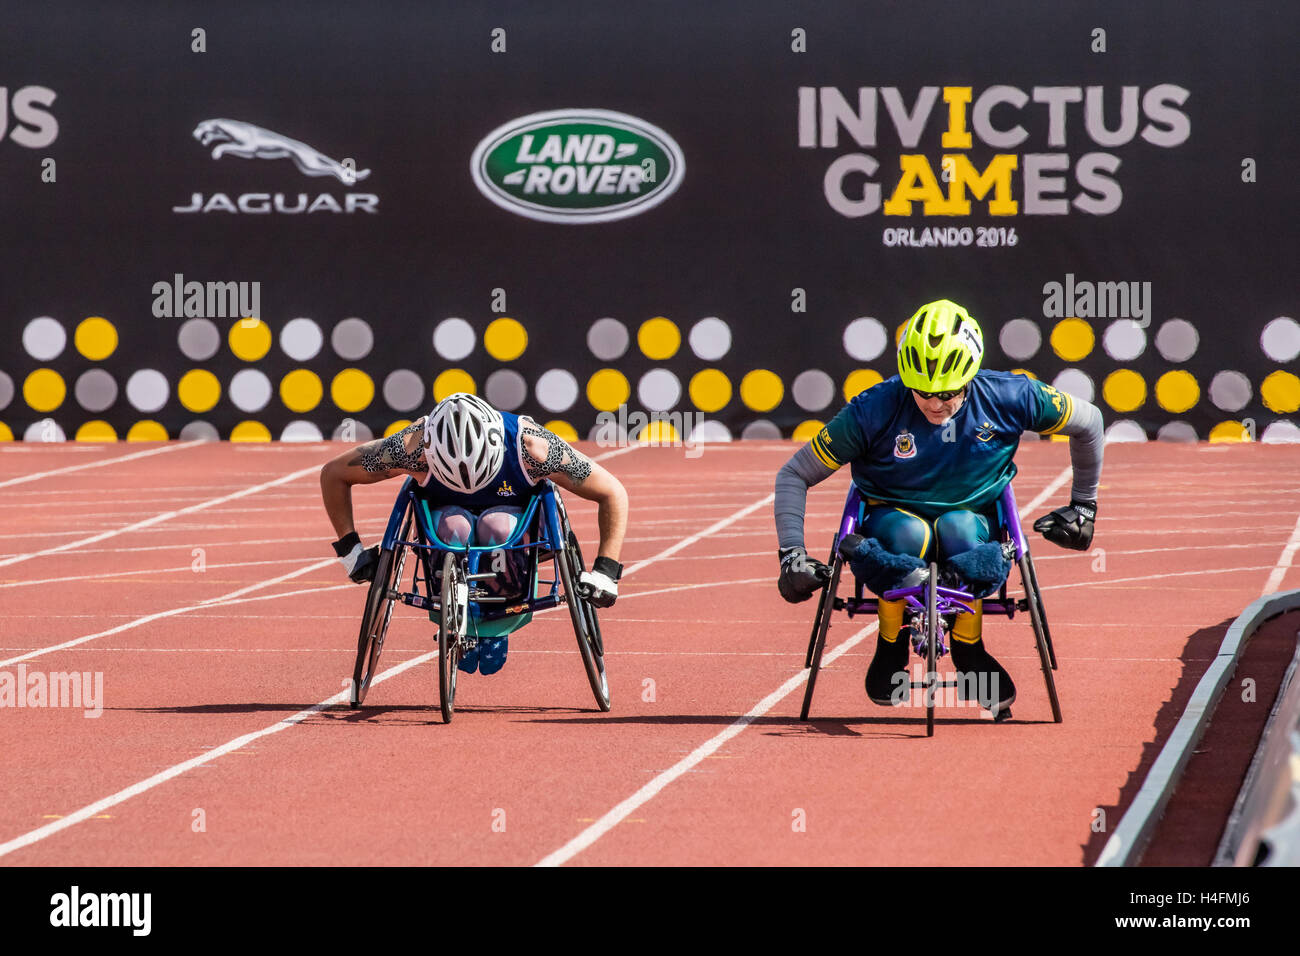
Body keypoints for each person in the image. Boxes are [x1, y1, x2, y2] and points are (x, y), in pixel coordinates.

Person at [774, 299, 1103, 714]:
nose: (934, 404)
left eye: (947, 393)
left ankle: (970, 649)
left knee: (958, 528)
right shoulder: (872, 409)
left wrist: (1084, 507)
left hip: (972, 523)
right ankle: (890, 642)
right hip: (893, 520)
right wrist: (791, 555)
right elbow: (793, 474)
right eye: (923, 392)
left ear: (970, 375)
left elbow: (1089, 422)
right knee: (910, 533)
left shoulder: (1011, 396)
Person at [320, 392, 629, 675]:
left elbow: (613, 492)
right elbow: (334, 474)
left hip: (513, 527)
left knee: (496, 525)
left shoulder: (533, 447)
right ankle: (455, 611)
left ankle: (498, 616)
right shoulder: (410, 448)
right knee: (457, 529)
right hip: (447, 524)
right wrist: (351, 553)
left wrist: (606, 571)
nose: (468, 482)